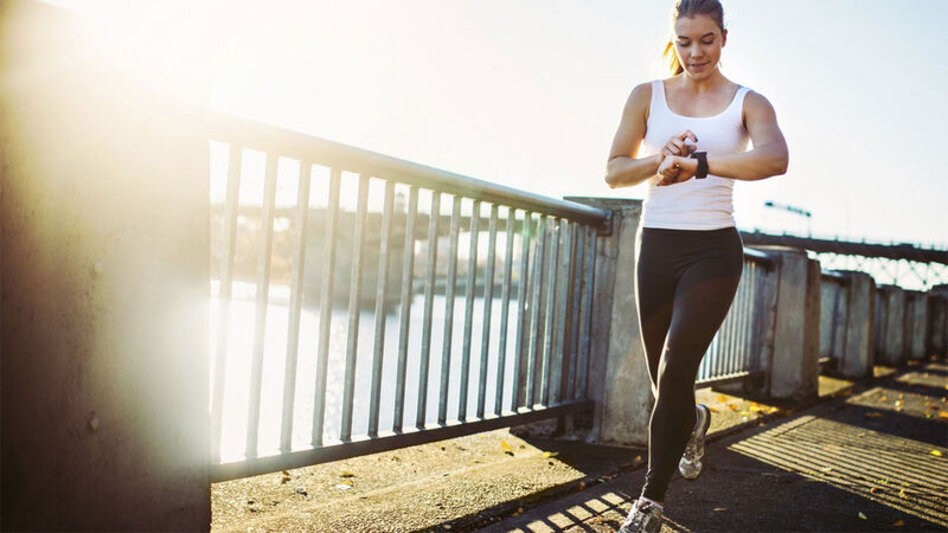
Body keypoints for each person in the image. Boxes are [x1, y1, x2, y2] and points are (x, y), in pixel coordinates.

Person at [603, 0, 789, 531]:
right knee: (664, 384)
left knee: (675, 367)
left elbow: (775, 158)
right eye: (684, 42)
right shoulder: (647, 96)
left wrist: (698, 164)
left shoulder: (748, 102)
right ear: (673, 40)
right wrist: (660, 160)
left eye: (706, 40)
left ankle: (649, 503)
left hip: (713, 250)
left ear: (724, 38)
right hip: (657, 246)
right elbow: (614, 172)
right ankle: (694, 418)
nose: (695, 52)